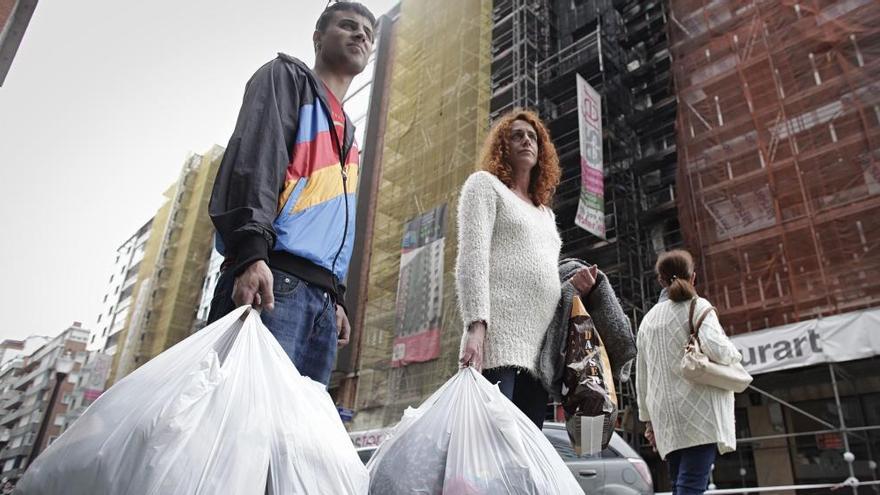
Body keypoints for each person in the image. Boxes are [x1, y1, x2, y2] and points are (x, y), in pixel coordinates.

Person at [206, 2, 376, 386]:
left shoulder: (348, 131)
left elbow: (335, 221)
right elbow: (253, 162)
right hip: (274, 281)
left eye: (368, 32)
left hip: (321, 305)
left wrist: (337, 296)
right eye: (348, 25)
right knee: (242, 426)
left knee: (289, 443)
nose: (361, 35)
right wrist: (251, 254)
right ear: (317, 38)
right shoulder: (285, 78)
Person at [455, 109, 595, 429]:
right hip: (498, 343)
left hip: (540, 355)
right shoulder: (485, 186)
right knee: (490, 445)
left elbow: (546, 277)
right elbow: (472, 257)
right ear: (503, 146)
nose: (526, 141)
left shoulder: (546, 214)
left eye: (532, 137)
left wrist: (575, 286)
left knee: (523, 456)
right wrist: (476, 326)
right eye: (517, 135)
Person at [636, 249, 742, 494]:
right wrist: (736, 355)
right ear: (693, 277)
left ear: (661, 280)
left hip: (666, 417)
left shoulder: (648, 320)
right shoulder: (698, 306)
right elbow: (720, 351)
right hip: (699, 413)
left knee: (681, 484)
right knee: (692, 485)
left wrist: (648, 422)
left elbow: (642, 378)